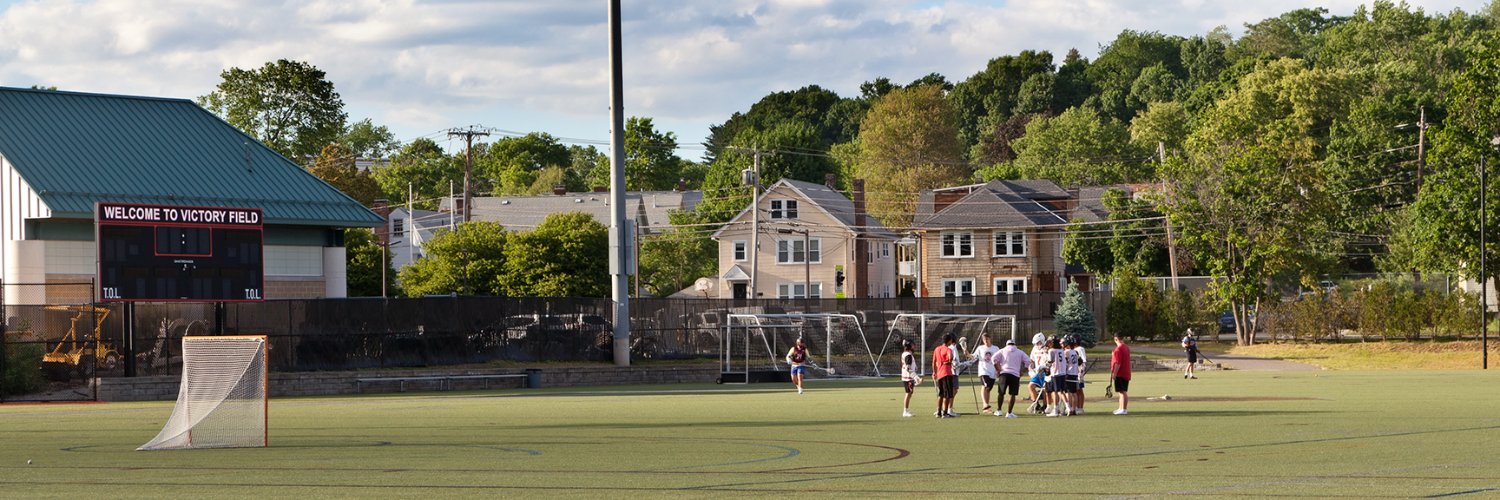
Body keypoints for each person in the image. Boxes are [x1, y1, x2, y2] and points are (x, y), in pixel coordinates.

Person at [993, 338, 1032, 418]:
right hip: (1015, 375)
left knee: (1001, 393)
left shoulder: (1002, 350)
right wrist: (1022, 371)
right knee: (1012, 394)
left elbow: (993, 359)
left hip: (1004, 373)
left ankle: (999, 410)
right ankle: (1009, 412)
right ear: (1014, 344)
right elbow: (1028, 361)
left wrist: (998, 369)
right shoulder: (1020, 352)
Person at [967, 333, 1001, 414]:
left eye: (987, 339)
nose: (985, 341)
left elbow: (999, 359)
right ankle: (985, 404)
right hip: (983, 371)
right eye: (984, 339)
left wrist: (999, 370)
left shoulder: (996, 348)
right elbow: (973, 356)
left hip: (992, 372)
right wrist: (967, 353)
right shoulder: (980, 348)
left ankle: (986, 408)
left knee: (988, 389)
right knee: (985, 386)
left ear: (990, 339)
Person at [933, 334, 958, 418]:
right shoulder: (948, 349)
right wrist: (948, 362)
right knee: (948, 394)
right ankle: (945, 412)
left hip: (939, 374)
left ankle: (938, 412)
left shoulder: (937, 349)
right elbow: (950, 358)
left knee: (941, 394)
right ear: (949, 341)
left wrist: (934, 372)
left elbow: (934, 362)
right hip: (947, 373)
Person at [1110, 333, 1132, 415]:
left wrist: (1114, 374)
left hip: (1121, 373)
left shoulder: (1118, 349)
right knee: (1121, 391)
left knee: (1122, 391)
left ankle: (1124, 409)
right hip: (1126, 372)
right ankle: (1120, 407)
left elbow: (1117, 363)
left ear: (1116, 339)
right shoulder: (1126, 347)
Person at [900, 339, 922, 417]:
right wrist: (916, 377)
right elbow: (908, 368)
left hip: (907, 376)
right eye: (912, 345)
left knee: (909, 393)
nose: (914, 346)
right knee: (908, 393)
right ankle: (905, 411)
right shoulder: (908, 355)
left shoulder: (906, 354)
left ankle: (906, 410)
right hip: (908, 377)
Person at [1028, 333, 1048, 404]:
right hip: (1037, 372)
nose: (1037, 345)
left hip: (1046, 372)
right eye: (1036, 343)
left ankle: (1045, 406)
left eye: (1038, 343)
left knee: (1046, 390)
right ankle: (1036, 405)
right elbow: (1032, 361)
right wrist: (1030, 369)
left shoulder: (1047, 348)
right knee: (1030, 386)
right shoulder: (1034, 349)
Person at [1072, 337, 1088, 414]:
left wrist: (1081, 373)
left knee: (1079, 390)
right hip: (1073, 372)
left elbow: (1083, 361)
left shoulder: (1080, 349)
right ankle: (1076, 407)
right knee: (1075, 390)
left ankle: (1080, 407)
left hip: (1078, 372)